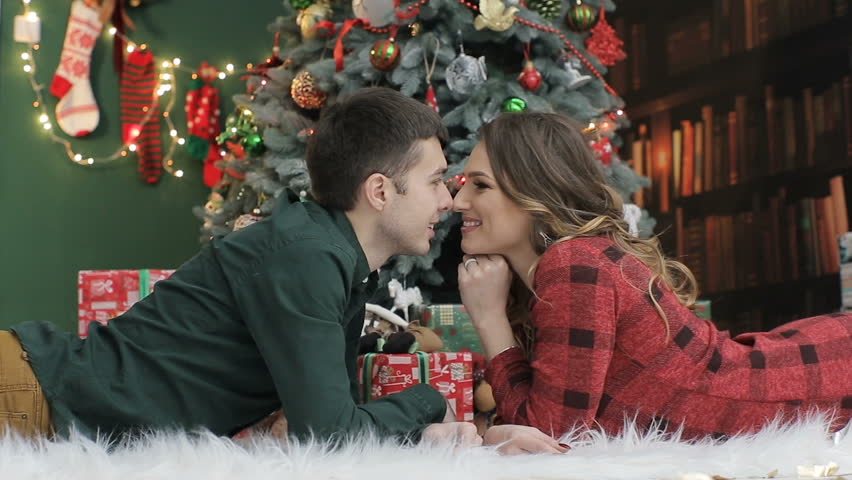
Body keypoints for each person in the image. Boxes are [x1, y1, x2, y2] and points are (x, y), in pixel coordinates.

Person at [0, 87, 479, 447]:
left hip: (41, 395)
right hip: (28, 395)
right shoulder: (308, 257)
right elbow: (331, 434)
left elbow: (328, 418)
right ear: (379, 192)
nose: (449, 200)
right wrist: (429, 402)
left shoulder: (333, 258)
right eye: (435, 181)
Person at [455, 111, 852, 444]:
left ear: (533, 190)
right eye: (462, 184)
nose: (458, 202)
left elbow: (551, 436)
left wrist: (490, 320)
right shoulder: (564, 267)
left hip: (819, 383)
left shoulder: (575, 264)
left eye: (480, 185)